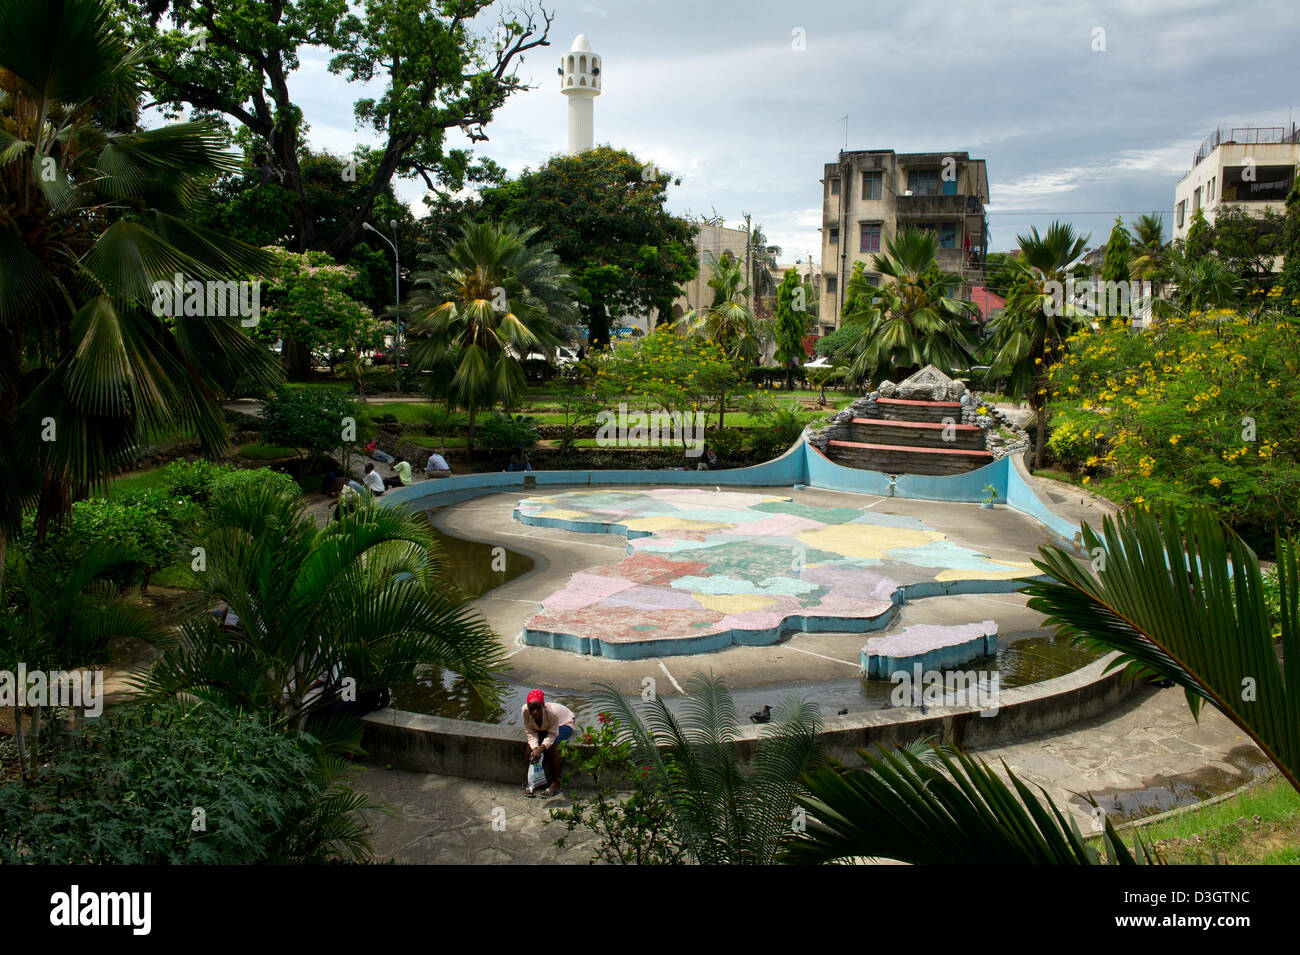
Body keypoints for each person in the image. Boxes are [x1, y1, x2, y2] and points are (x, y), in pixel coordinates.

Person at [522, 689, 576, 797]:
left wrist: (541, 749)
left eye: (538, 708)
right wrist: (535, 749)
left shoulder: (552, 713)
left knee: (553, 747)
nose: (534, 712)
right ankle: (530, 782)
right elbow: (530, 732)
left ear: (543, 705)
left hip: (563, 723)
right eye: (532, 708)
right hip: (545, 726)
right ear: (528, 707)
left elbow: (552, 735)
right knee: (529, 749)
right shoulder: (525, 711)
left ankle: (556, 783)